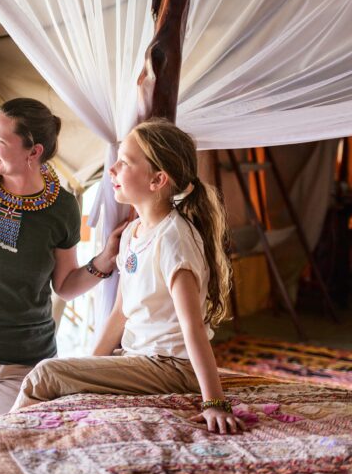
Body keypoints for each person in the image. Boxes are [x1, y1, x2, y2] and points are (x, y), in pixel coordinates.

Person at [13, 118, 245, 435]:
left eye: (125, 163)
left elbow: (192, 328)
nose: (112, 169)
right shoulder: (133, 233)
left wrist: (214, 402)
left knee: (46, 374)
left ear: (157, 180)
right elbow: (121, 313)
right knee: (60, 376)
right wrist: (87, 370)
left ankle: (7, 440)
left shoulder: (174, 240)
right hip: (142, 359)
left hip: (171, 366)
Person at [0, 98, 125, 432]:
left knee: (5, 445)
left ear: (34, 151)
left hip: (24, 361)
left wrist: (102, 261)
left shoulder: (61, 208)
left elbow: (64, 286)